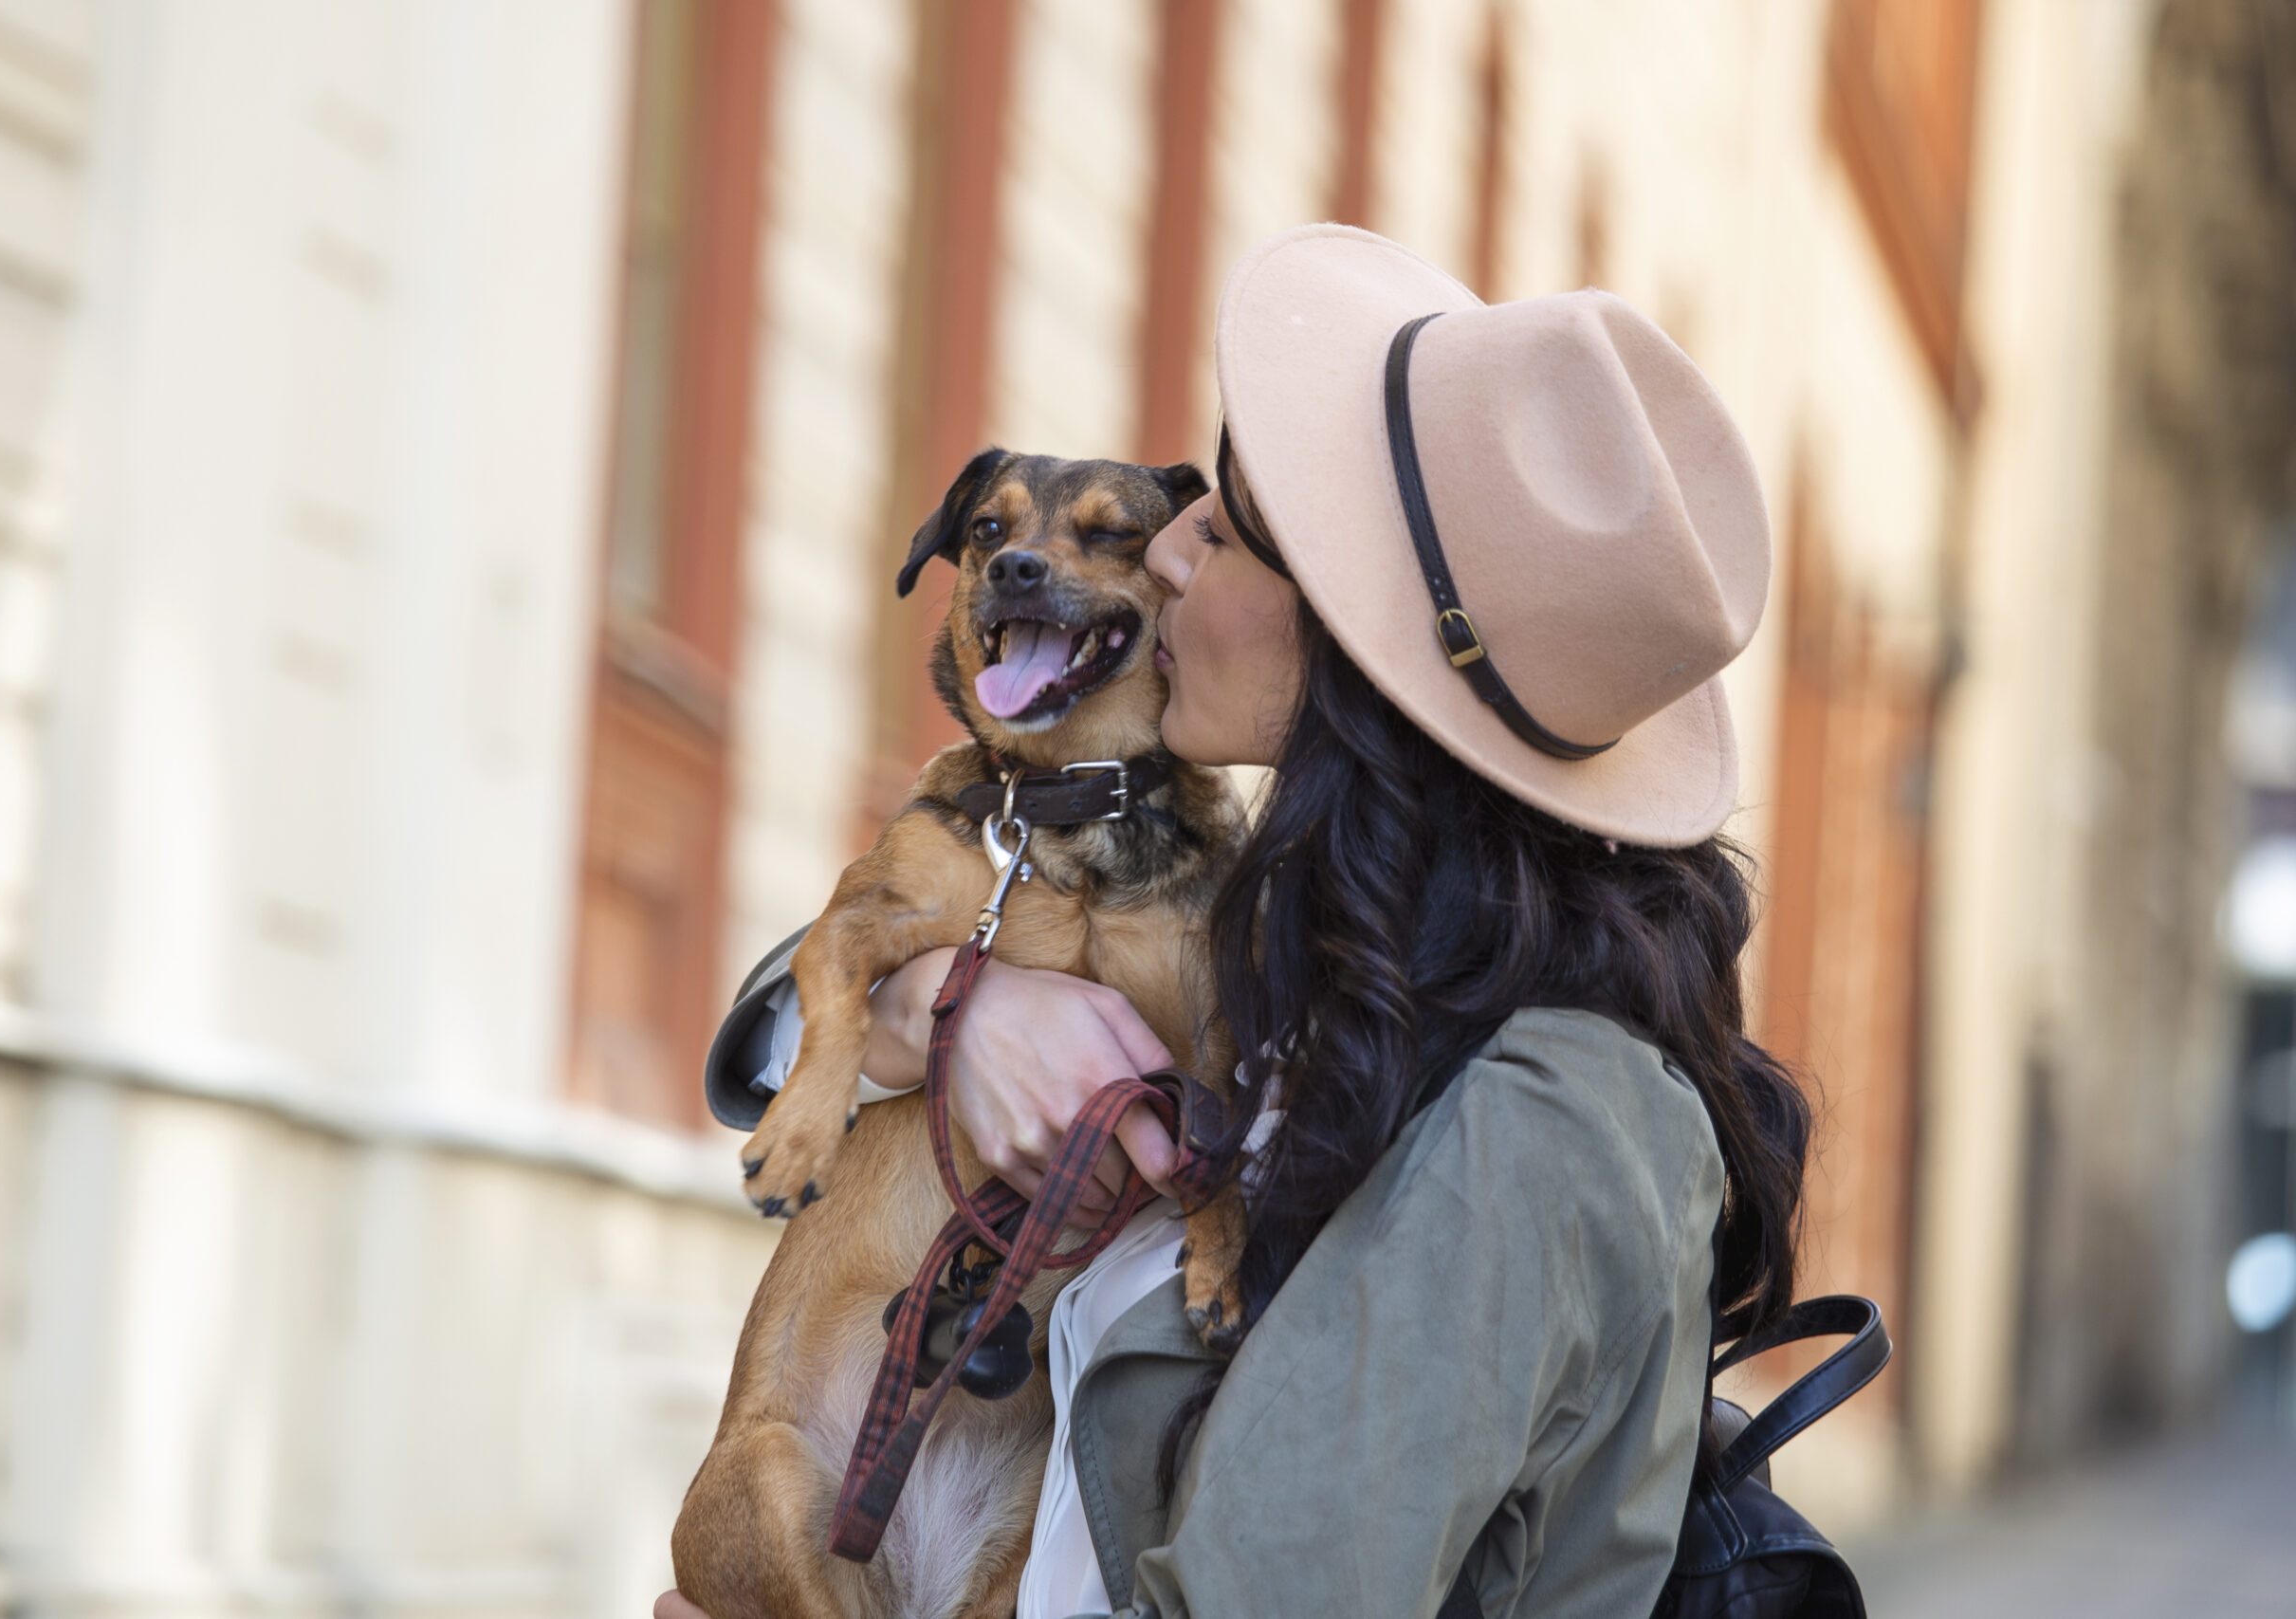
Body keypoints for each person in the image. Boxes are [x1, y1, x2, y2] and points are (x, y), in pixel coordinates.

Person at [658, 223, 1809, 1618]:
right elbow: (806, 1006)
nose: (1178, 554)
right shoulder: (1354, 957)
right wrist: (946, 1012)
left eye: (1237, 525)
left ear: (1354, 646)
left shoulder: (1530, 1126)